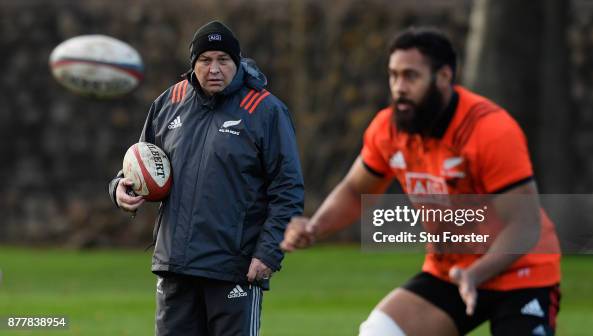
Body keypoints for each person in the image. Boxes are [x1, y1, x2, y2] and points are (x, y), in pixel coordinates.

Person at [281, 27, 561, 336]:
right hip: (450, 274)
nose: (399, 87)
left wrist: (475, 274)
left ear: (443, 76)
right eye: (393, 75)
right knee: (379, 332)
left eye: (410, 76)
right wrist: (314, 226)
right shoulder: (388, 129)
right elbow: (356, 190)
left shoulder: (490, 130)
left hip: (521, 272)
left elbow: (525, 225)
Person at [108, 20, 304, 336]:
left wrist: (269, 252)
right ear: (193, 63)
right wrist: (119, 188)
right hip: (176, 268)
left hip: (234, 270)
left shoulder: (266, 110)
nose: (214, 69)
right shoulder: (169, 102)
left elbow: (288, 190)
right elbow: (140, 163)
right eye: (205, 60)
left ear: (237, 61)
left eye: (223, 60)